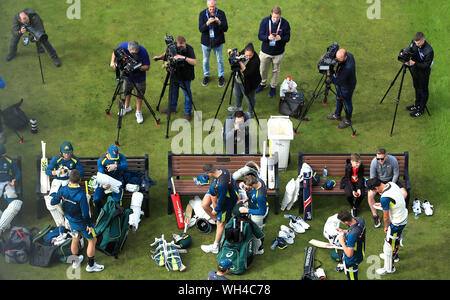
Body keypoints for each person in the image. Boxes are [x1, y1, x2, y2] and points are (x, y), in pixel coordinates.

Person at [51, 170, 104, 272]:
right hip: (83, 223)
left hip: (71, 222)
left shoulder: (63, 190)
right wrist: (89, 225)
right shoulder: (81, 195)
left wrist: (55, 196)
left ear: (69, 179)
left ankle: (76, 262)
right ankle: (91, 266)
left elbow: (53, 201)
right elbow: (85, 214)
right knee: (92, 240)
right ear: (80, 180)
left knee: (75, 239)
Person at [366, 178, 408, 275]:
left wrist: (386, 227)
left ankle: (389, 269)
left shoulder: (384, 198)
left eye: (373, 190)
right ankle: (396, 257)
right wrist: (383, 205)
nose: (373, 192)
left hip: (397, 223)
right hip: (403, 217)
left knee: (388, 246)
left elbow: (385, 217)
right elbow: (395, 200)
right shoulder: (391, 184)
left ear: (376, 188)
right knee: (395, 240)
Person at [154, 36, 197, 121]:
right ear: (176, 44)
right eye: (180, 45)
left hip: (185, 76)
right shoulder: (172, 46)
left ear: (185, 42)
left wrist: (183, 57)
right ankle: (172, 108)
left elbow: (194, 62)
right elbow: (167, 54)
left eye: (183, 45)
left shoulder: (189, 49)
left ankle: (188, 113)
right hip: (174, 74)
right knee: (173, 92)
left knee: (187, 95)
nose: (183, 47)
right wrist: (159, 57)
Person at [200, 164, 239, 254]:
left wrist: (216, 209)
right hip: (215, 191)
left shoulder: (221, 185)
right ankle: (215, 220)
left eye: (206, 174)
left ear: (209, 173)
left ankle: (215, 246)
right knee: (204, 204)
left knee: (221, 223)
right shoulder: (222, 169)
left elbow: (221, 200)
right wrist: (212, 194)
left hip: (227, 201)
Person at [45, 142, 85, 228]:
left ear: (71, 152)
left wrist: (71, 172)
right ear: (61, 152)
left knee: (67, 200)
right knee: (50, 202)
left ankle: (67, 222)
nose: (67, 155)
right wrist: (56, 172)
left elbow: (81, 172)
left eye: (69, 152)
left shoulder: (75, 160)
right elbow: (47, 170)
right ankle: (61, 224)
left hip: (68, 181)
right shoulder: (57, 159)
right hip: (57, 180)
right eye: (65, 153)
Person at [110, 40, 151, 124]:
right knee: (126, 92)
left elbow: (147, 66)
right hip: (127, 76)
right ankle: (126, 107)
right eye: (131, 52)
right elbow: (115, 52)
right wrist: (112, 62)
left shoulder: (143, 51)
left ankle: (138, 112)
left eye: (135, 53)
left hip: (140, 78)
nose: (133, 54)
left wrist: (137, 67)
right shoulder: (123, 46)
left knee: (139, 95)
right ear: (128, 48)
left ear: (138, 49)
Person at [255, 6, 291, 98]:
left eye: (277, 17)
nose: (275, 19)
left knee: (276, 71)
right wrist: (267, 38)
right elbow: (260, 36)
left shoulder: (285, 23)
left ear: (280, 16)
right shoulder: (265, 21)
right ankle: (263, 84)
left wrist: (281, 38)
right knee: (262, 69)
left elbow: (287, 38)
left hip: (278, 53)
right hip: (265, 52)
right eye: (274, 17)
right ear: (271, 14)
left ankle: (273, 87)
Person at [368, 148, 408, 228]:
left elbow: (396, 174)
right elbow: (373, 177)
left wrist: (391, 187)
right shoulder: (374, 162)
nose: (380, 160)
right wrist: (379, 189)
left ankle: (391, 208)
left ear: (386, 156)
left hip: (392, 181)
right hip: (379, 182)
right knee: (370, 195)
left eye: (382, 158)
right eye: (378, 158)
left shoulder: (393, 160)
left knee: (404, 193)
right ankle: (375, 216)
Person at [227, 43, 262, 118]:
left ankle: (250, 112)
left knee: (249, 98)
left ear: (253, 52)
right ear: (245, 51)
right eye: (247, 55)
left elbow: (247, 73)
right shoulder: (245, 51)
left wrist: (239, 62)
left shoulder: (256, 61)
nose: (248, 57)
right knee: (237, 93)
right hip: (238, 78)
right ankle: (238, 106)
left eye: (250, 55)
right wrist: (233, 53)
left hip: (250, 82)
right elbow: (239, 53)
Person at [199, 0, 228, 87]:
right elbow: (201, 29)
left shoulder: (221, 14)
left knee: (219, 60)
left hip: (218, 42)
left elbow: (225, 28)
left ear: (216, 5)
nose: (212, 9)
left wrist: (219, 22)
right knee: (205, 60)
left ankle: (221, 76)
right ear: (207, 5)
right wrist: (207, 23)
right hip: (206, 42)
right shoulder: (202, 14)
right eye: (210, 7)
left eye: (213, 6)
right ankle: (206, 75)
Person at [325, 48, 357, 129]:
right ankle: (337, 115)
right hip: (342, 83)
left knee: (347, 102)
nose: (337, 60)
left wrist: (329, 74)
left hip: (347, 86)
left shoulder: (348, 68)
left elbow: (337, 82)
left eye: (339, 59)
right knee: (338, 98)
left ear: (345, 57)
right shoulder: (349, 55)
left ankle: (347, 120)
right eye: (337, 58)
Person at [405, 32, 434, 118]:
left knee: (423, 90)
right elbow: (409, 49)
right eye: (415, 43)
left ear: (423, 40)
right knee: (416, 87)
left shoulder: (429, 51)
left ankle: (421, 110)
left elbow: (426, 65)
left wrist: (414, 63)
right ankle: (417, 105)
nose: (416, 45)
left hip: (423, 73)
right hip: (415, 70)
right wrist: (405, 53)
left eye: (418, 43)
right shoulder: (414, 43)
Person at [238, 173, 268, 255]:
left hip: (258, 215)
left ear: (253, 184)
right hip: (255, 209)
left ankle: (258, 250)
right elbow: (253, 193)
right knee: (257, 230)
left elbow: (262, 212)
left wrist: (247, 210)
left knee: (255, 234)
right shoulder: (259, 181)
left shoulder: (260, 196)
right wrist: (248, 198)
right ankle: (260, 238)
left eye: (249, 186)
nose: (249, 188)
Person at [93, 145, 128, 215]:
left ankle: (117, 216)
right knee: (96, 198)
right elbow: (101, 174)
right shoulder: (101, 160)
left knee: (117, 200)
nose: (114, 160)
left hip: (117, 181)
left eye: (115, 158)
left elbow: (125, 166)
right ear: (107, 153)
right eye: (112, 158)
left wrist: (115, 166)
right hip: (105, 182)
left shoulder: (121, 157)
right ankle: (100, 214)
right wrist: (103, 186)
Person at [336, 210, 366, 280]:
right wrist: (343, 231)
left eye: (341, 221)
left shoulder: (352, 235)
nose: (341, 222)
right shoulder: (360, 220)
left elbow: (349, 254)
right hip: (360, 251)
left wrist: (342, 242)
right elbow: (354, 231)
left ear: (346, 222)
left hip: (352, 260)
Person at [0, 145, 22, 236]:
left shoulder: (8, 160)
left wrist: (14, 180)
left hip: (7, 184)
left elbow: (17, 172)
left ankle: (2, 227)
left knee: (15, 204)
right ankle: (4, 225)